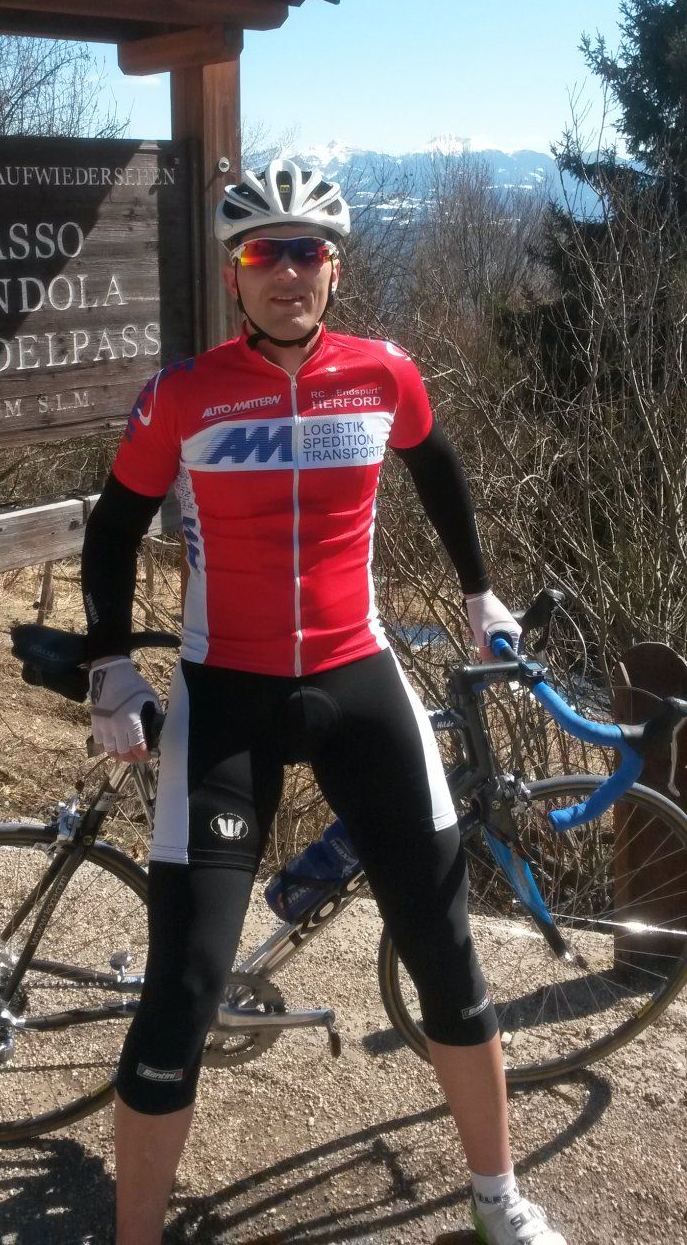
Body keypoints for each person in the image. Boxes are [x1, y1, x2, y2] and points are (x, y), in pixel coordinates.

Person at [81, 159, 567, 1245]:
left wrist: (479, 593)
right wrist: (109, 667)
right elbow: (112, 528)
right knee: (186, 983)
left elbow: (438, 467)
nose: (288, 271)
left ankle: (497, 1199)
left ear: (334, 268)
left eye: (308, 251)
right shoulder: (184, 394)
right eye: (265, 253)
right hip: (224, 693)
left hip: (358, 676)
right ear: (236, 274)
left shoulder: (383, 375)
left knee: (444, 947)